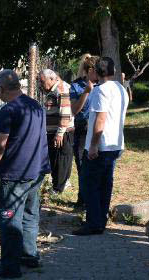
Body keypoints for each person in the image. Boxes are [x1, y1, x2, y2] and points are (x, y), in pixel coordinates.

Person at [0, 69, 50, 278]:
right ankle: (30, 256)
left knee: (9, 220)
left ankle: (10, 268)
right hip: (37, 170)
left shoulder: (8, 110)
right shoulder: (36, 106)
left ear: (1, 89)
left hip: (15, 174)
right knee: (30, 215)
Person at [73, 57, 129, 236]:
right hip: (115, 143)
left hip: (101, 146)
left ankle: (93, 222)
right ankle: (100, 219)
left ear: (96, 72)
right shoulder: (120, 89)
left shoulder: (100, 91)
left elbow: (100, 119)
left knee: (89, 184)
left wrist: (93, 146)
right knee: (105, 183)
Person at [70, 55, 99, 207]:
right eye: (97, 70)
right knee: (82, 164)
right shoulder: (76, 86)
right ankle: (82, 199)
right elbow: (74, 110)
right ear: (89, 71)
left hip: (99, 127)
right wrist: (86, 92)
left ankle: (94, 199)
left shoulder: (103, 84)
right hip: (82, 128)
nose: (100, 73)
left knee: (97, 165)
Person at [39, 69, 75, 194]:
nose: (41, 84)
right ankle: (60, 184)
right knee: (56, 159)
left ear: (52, 79)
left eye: (42, 81)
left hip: (62, 133)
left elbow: (65, 113)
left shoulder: (61, 89)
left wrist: (59, 133)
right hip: (54, 132)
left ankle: (58, 188)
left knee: (61, 160)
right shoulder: (52, 90)